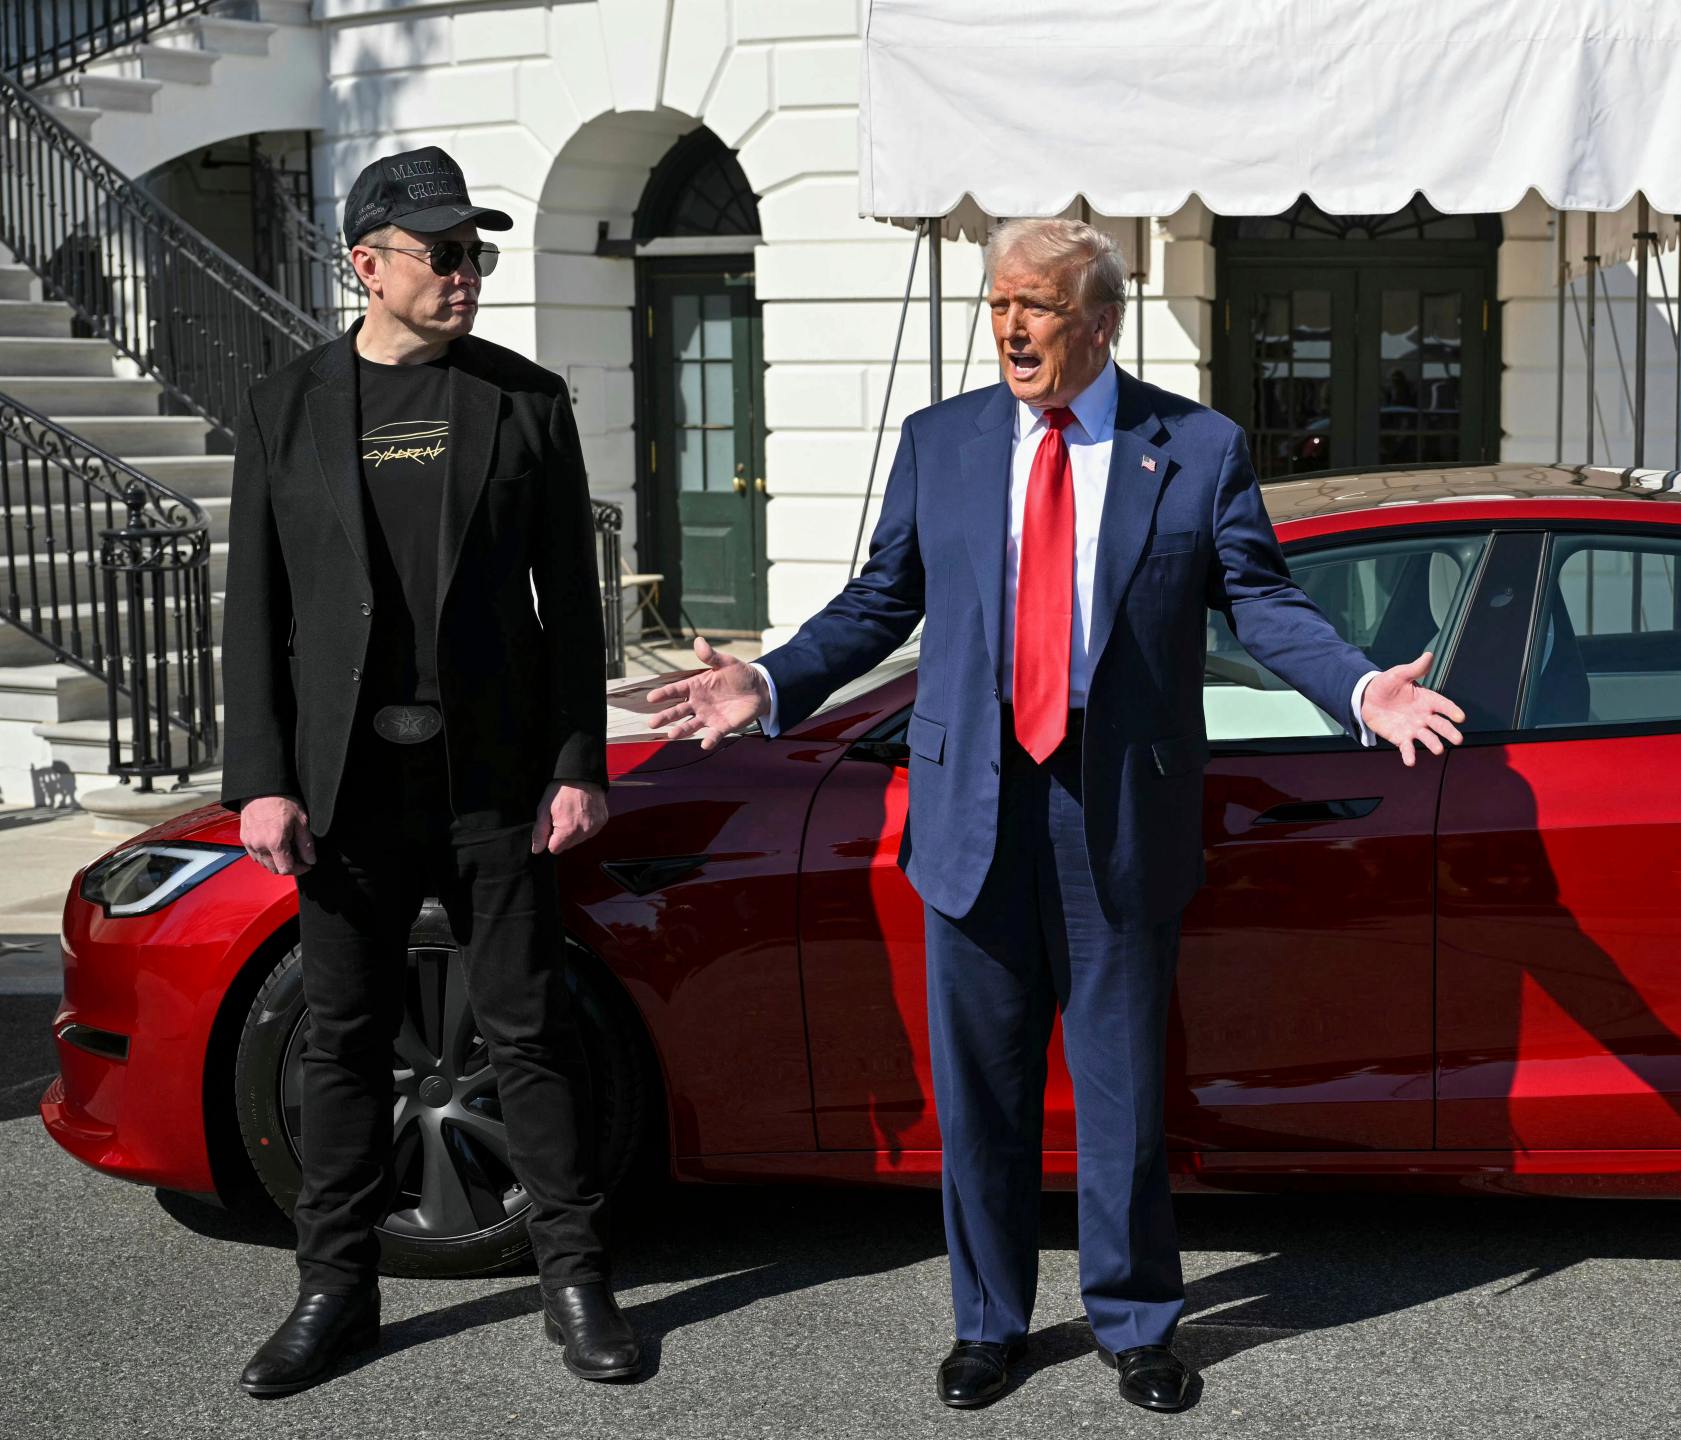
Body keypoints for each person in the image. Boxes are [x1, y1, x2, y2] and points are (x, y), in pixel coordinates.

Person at [644, 217, 1464, 1413]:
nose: (1011, 329)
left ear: (1101, 320)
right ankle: (989, 1322)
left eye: (1035, 306)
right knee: (980, 1088)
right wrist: (768, 681)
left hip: (1116, 804)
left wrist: (1354, 683)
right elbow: (880, 601)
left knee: (1122, 1087)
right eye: (997, 305)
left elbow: (1261, 601)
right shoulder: (944, 442)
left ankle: (1137, 1323)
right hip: (974, 799)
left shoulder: (1194, 445)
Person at [220, 146, 627, 1395]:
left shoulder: (525, 401)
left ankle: (573, 1279)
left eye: (476, 254)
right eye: (443, 254)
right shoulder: (284, 407)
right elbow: (255, 615)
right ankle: (335, 1288)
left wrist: (578, 761)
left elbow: (575, 603)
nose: (466, 275)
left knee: (530, 1030)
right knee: (341, 1039)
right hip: (346, 790)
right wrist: (262, 779)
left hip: (495, 779)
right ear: (367, 265)